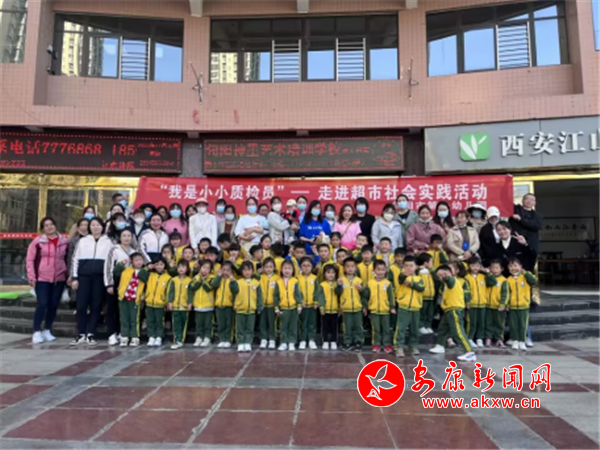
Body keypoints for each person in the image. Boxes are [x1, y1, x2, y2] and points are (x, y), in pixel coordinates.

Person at [26, 217, 69, 344]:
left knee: (53, 305)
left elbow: (67, 259)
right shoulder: (38, 242)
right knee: (42, 304)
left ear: (55, 226)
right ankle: (36, 331)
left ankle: (47, 330)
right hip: (42, 278)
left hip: (59, 278)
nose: (49, 227)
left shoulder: (64, 241)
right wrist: (32, 277)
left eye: (51, 224)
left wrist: (68, 276)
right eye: (46, 225)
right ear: (42, 229)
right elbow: (30, 260)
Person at [70, 217, 112, 345]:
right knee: (81, 305)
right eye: (93, 225)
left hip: (99, 278)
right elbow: (75, 260)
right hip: (83, 277)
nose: (95, 227)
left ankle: (91, 333)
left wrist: (108, 281)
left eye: (98, 225)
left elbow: (110, 262)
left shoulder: (108, 242)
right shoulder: (83, 241)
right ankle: (81, 333)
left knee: (96, 305)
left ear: (102, 227)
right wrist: (74, 277)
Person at [428, 265, 476, 362]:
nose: (440, 278)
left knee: (458, 332)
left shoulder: (452, 280)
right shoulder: (446, 284)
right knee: (442, 328)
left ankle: (469, 352)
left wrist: (446, 277)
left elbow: (450, 281)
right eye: (439, 276)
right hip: (448, 310)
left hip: (454, 310)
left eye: (441, 275)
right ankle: (440, 345)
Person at [104, 228, 137, 346]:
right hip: (115, 281)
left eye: (129, 236)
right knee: (111, 309)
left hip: (128, 284)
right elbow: (108, 267)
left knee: (122, 310)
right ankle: (111, 333)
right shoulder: (114, 250)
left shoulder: (134, 251)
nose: (127, 238)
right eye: (124, 236)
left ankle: (120, 332)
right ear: (120, 237)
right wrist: (109, 284)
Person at [394, 256, 425, 357]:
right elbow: (400, 279)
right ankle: (399, 346)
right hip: (404, 307)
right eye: (406, 266)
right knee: (401, 328)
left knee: (414, 329)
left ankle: (413, 346)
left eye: (411, 266)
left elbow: (421, 288)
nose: (409, 268)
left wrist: (411, 284)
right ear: (403, 267)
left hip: (416, 307)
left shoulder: (419, 278)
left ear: (416, 267)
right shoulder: (402, 276)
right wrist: (404, 275)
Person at [504, 258, 537, 351]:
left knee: (523, 325)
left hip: (524, 306)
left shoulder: (525, 276)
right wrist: (506, 304)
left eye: (515, 265)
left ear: (520, 266)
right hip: (513, 306)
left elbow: (533, 281)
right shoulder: (508, 280)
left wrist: (525, 273)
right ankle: (515, 340)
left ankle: (522, 341)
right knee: (513, 325)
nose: (513, 268)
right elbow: (507, 293)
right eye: (511, 266)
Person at [363, 260, 395, 354]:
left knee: (386, 329)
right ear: (374, 271)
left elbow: (391, 296)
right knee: (376, 329)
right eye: (378, 269)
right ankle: (376, 344)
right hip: (374, 310)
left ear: (385, 270)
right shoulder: (370, 283)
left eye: (383, 269)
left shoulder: (388, 283)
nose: (381, 272)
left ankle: (386, 344)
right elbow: (365, 296)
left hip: (385, 310)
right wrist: (365, 306)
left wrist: (392, 307)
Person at [117, 252, 148, 347]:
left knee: (134, 318)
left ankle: (135, 336)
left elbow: (147, 285)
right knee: (124, 318)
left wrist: (144, 295)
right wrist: (121, 264)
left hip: (135, 299)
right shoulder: (126, 270)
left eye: (140, 260)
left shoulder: (145, 272)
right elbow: (116, 272)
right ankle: (124, 336)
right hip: (124, 298)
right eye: (136, 260)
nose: (139, 262)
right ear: (132, 262)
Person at [336, 258, 366, 352]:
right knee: (347, 327)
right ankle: (347, 342)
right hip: (346, 308)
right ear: (344, 268)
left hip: (357, 308)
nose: (350, 269)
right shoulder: (341, 280)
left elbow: (364, 295)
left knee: (358, 326)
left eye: (352, 266)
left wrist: (361, 290)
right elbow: (337, 292)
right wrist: (339, 286)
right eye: (347, 266)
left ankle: (358, 342)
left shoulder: (359, 280)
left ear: (356, 268)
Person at [190, 260, 219, 347]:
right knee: (199, 324)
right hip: (198, 305)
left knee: (208, 324)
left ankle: (207, 338)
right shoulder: (196, 277)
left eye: (207, 268)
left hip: (208, 306)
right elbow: (193, 286)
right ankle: (199, 337)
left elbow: (208, 288)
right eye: (203, 267)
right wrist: (200, 280)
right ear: (200, 268)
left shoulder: (212, 278)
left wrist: (203, 281)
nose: (205, 270)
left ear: (210, 270)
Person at [235, 261, 263, 352]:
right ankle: (240, 343)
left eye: (249, 270)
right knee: (240, 328)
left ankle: (247, 342)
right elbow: (234, 294)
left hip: (251, 310)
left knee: (249, 328)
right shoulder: (238, 282)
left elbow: (259, 296)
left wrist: (259, 306)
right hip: (240, 309)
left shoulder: (256, 283)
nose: (247, 272)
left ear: (252, 271)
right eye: (244, 270)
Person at [274, 260, 302, 351]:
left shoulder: (295, 281)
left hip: (293, 308)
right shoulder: (278, 282)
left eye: (289, 268)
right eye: (285, 268)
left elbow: (298, 294)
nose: (287, 270)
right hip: (283, 308)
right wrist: (276, 307)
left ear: (293, 270)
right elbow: (276, 296)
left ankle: (291, 342)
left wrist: (299, 305)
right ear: (281, 270)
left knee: (293, 326)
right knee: (283, 326)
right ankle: (283, 342)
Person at [144, 257, 171, 347]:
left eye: (161, 264)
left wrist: (167, 302)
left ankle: (159, 337)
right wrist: (148, 267)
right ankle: (151, 336)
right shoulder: (150, 275)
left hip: (160, 303)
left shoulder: (168, 277)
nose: (159, 266)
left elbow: (169, 291)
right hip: (149, 302)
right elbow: (140, 274)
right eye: (157, 264)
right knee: (150, 321)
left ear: (165, 266)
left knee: (159, 321)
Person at [167, 260, 193, 350]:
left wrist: (190, 303)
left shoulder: (189, 281)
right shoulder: (173, 280)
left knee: (184, 324)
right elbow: (171, 292)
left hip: (184, 307)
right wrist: (170, 302)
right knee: (176, 324)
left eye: (183, 267)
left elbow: (190, 293)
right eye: (179, 267)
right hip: (175, 306)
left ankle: (181, 339)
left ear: (187, 269)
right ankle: (177, 340)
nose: (181, 269)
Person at [465, 256, 488, 349]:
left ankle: (479, 338)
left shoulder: (483, 277)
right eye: (473, 265)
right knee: (471, 322)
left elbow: (492, 282)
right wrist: (467, 301)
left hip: (482, 304)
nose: (475, 268)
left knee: (481, 322)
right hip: (472, 304)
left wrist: (487, 272)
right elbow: (466, 291)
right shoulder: (466, 277)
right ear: (469, 266)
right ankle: (469, 338)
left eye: (477, 266)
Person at [67, 217, 89, 309]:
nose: (84, 227)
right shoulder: (73, 241)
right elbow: (70, 258)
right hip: (77, 269)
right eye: (82, 225)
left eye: (86, 225)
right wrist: (70, 274)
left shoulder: (93, 239)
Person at [215, 261, 238, 348]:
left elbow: (235, 290)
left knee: (229, 324)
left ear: (231, 271)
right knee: (221, 324)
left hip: (229, 305)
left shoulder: (233, 280)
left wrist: (232, 281)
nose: (225, 272)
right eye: (224, 270)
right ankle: (222, 339)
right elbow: (213, 284)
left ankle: (228, 339)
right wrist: (218, 276)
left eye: (228, 270)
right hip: (219, 305)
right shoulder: (219, 279)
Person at [485, 259, 507, 348]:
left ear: (502, 269)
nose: (494, 270)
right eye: (492, 268)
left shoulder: (503, 280)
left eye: (497, 268)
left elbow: (505, 293)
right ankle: (488, 338)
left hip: (498, 306)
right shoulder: (487, 278)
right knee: (488, 323)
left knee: (499, 323)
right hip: (488, 305)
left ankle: (499, 338)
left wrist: (503, 304)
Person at [298, 257, 319, 350]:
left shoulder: (314, 278)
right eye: (304, 266)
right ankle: (302, 340)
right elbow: (297, 291)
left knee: (312, 323)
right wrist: (300, 301)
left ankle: (311, 339)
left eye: (308, 266)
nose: (306, 268)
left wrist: (316, 301)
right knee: (302, 323)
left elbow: (317, 291)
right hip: (302, 306)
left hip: (312, 306)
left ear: (312, 267)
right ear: (300, 267)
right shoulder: (297, 278)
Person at [318, 264, 340, 350]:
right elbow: (320, 296)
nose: (330, 275)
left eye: (333, 273)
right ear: (324, 274)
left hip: (335, 309)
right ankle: (325, 341)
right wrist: (322, 307)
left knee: (334, 327)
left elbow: (339, 295)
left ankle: (334, 341)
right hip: (325, 310)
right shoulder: (322, 285)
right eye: (328, 272)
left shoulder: (337, 284)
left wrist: (340, 307)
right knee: (325, 327)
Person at [259, 258, 279, 349]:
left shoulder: (277, 278)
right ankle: (263, 339)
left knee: (272, 323)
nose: (268, 269)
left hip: (272, 305)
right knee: (262, 323)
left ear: (274, 267)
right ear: (263, 268)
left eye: (270, 267)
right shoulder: (260, 277)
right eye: (266, 267)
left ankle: (272, 339)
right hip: (262, 305)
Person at [416, 253, 435, 335]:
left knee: (430, 313)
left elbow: (436, 277)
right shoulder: (420, 272)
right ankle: (421, 326)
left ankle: (428, 326)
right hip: (423, 296)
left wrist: (432, 270)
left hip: (431, 296)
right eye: (431, 262)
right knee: (422, 312)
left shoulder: (430, 272)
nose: (432, 264)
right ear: (425, 263)